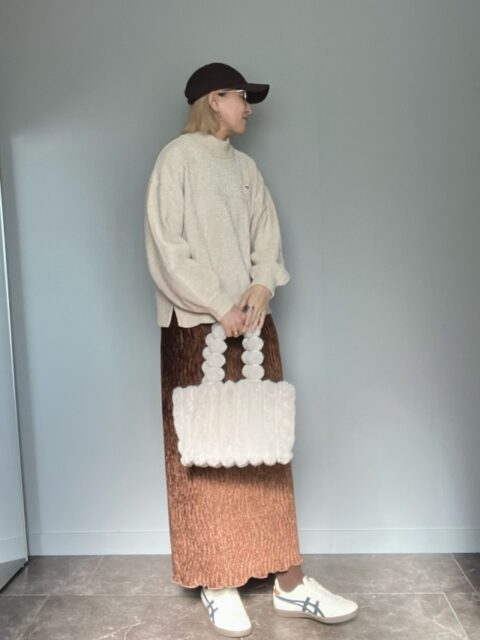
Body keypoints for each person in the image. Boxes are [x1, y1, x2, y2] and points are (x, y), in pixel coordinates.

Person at [144, 62, 358, 638]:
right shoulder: (175, 160)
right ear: (214, 99)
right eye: (242, 98)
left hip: (254, 326)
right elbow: (166, 249)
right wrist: (221, 305)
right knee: (203, 451)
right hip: (196, 327)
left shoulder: (245, 168)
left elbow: (267, 234)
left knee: (265, 448)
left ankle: (290, 583)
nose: (249, 108)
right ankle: (217, 582)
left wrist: (262, 286)